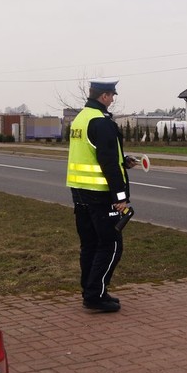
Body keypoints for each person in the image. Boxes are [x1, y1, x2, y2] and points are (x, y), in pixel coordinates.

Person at [66, 78, 137, 313]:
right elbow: (106, 161)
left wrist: (123, 161)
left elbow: (93, 154)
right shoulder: (101, 122)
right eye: (112, 95)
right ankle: (95, 296)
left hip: (80, 193)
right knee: (111, 244)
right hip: (101, 195)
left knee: (90, 245)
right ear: (104, 96)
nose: (113, 99)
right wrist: (120, 197)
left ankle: (90, 291)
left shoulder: (80, 118)